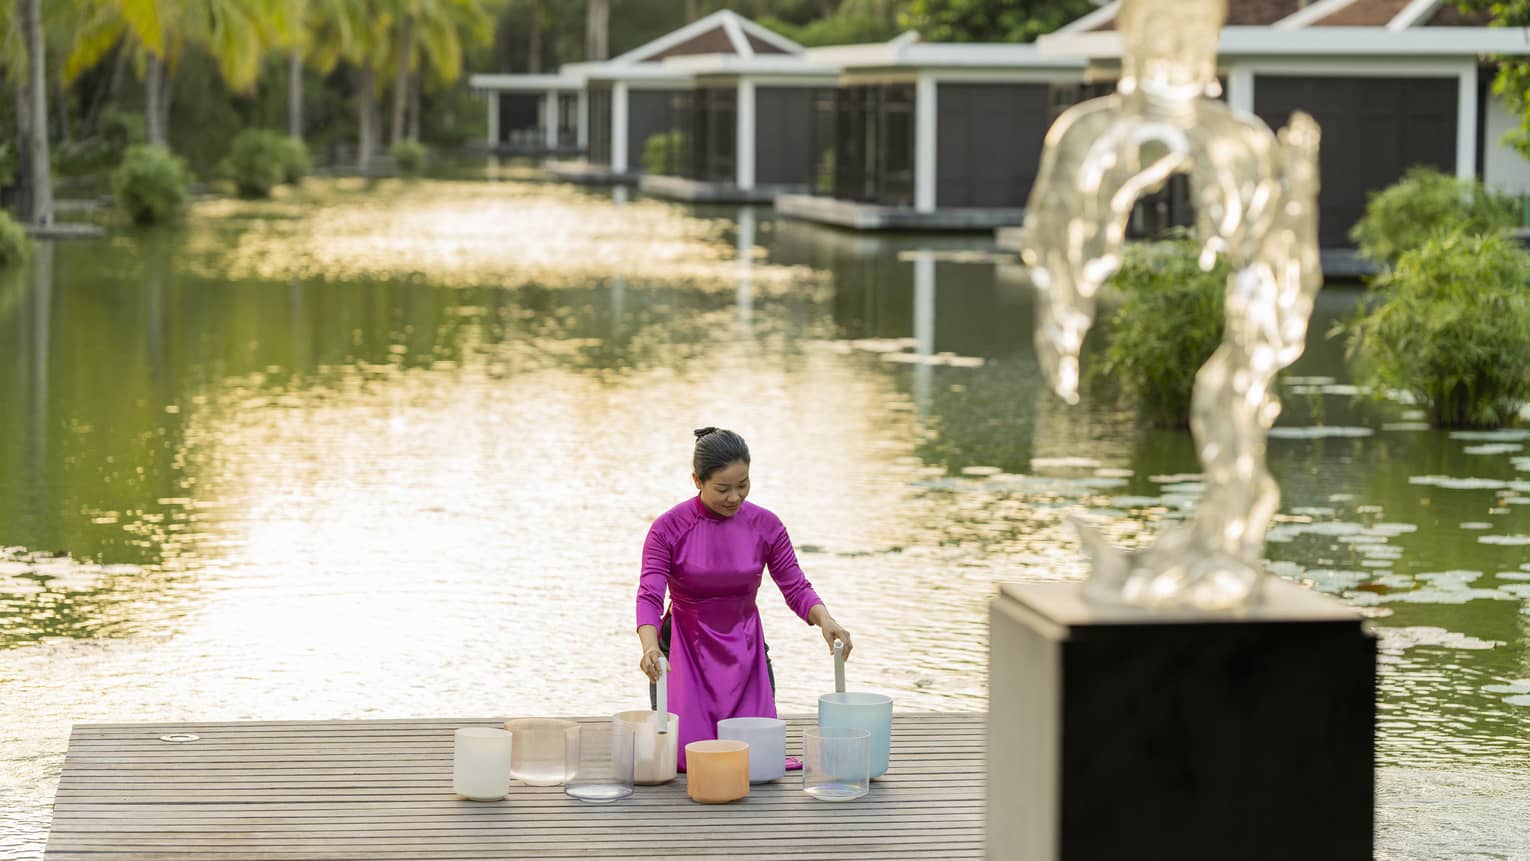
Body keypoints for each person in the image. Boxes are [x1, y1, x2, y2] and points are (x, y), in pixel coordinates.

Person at [637, 427, 853, 771]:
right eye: (723, 489)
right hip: (681, 652)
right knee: (684, 760)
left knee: (754, 759)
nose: (735, 497)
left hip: (747, 650)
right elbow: (649, 594)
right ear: (697, 480)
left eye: (743, 485)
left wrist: (826, 620)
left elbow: (795, 584)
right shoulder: (668, 528)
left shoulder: (765, 525)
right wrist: (650, 648)